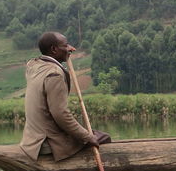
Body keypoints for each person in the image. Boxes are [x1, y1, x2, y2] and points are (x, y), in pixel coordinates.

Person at [20, 31, 109, 161]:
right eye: (66, 45)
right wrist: (87, 137)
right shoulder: (54, 74)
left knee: (91, 135)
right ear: (54, 49)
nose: (69, 49)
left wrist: (65, 50)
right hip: (49, 142)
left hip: (31, 141)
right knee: (103, 137)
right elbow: (60, 114)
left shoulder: (33, 66)